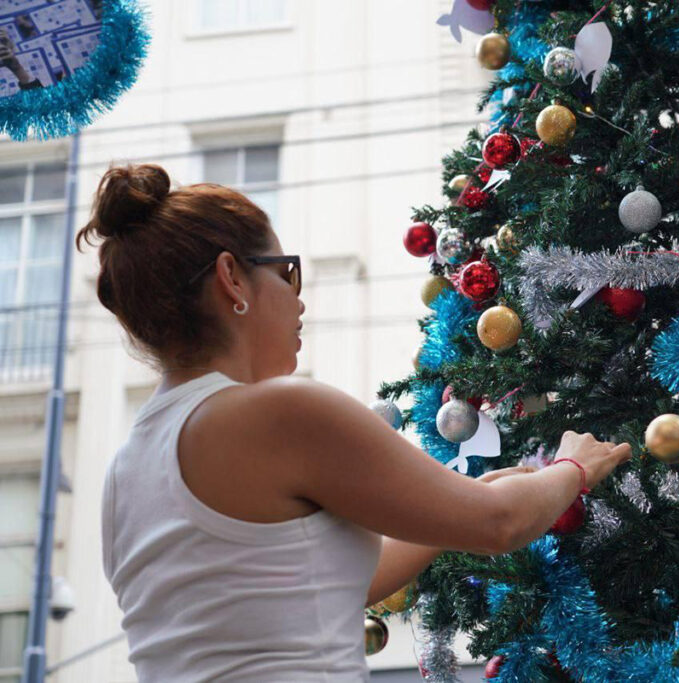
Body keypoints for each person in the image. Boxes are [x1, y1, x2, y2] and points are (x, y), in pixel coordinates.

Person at [78, 164, 632, 682]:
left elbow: (325, 585)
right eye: (285, 272)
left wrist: (467, 495)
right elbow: (500, 525)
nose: (299, 300)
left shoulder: (126, 468)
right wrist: (572, 468)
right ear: (232, 279)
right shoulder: (277, 412)